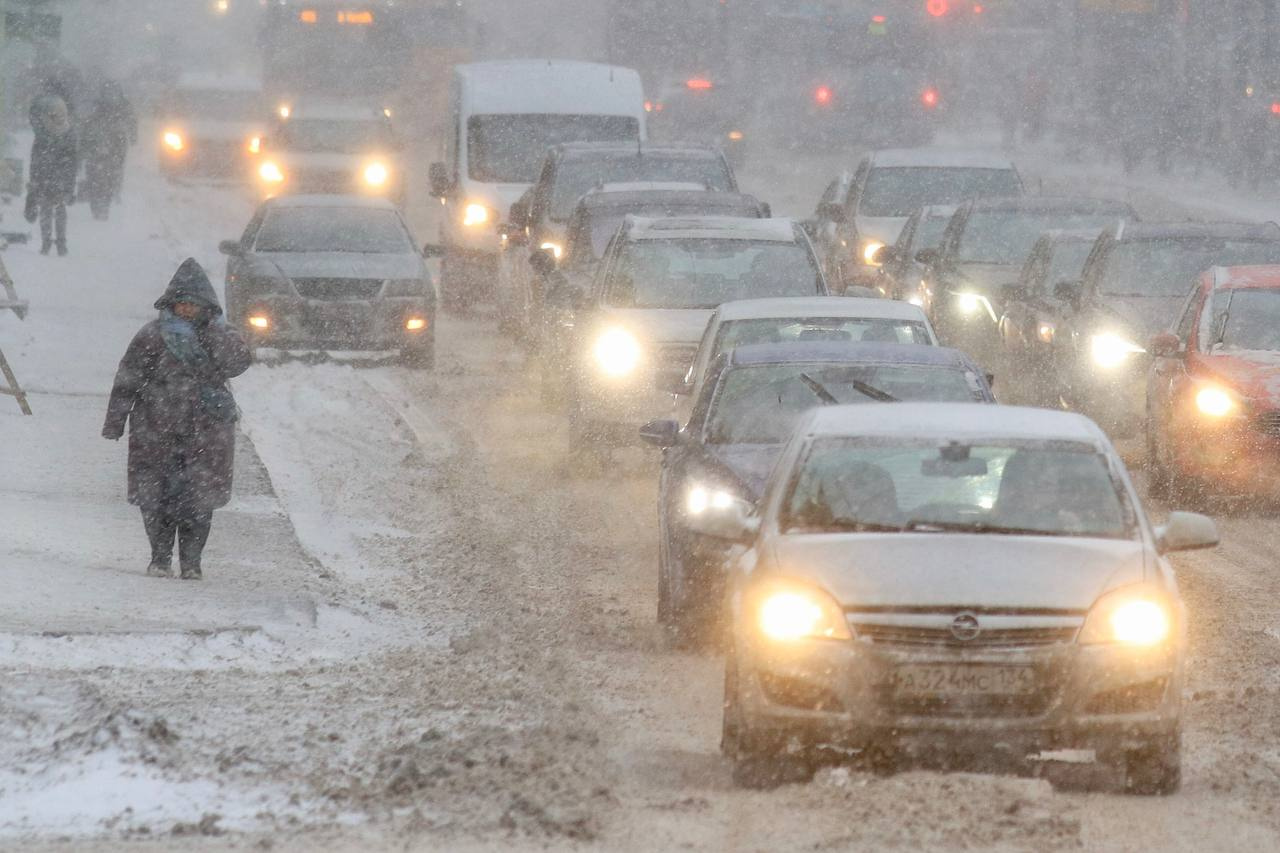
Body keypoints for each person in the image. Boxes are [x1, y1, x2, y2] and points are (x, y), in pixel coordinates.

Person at [102, 259, 252, 580]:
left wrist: (213, 334)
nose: (187, 311)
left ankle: (192, 561)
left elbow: (238, 362)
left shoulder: (222, 334)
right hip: (156, 429)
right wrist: (115, 421)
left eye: (194, 306)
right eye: (182, 304)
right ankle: (159, 557)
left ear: (206, 307)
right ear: (172, 304)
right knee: (156, 498)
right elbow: (127, 379)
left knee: (200, 499)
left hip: (207, 433)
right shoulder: (152, 336)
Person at [27, 95, 78, 256]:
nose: (56, 117)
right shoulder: (44, 135)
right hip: (46, 176)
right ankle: (48, 242)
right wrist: (34, 181)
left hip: (56, 176)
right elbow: (35, 160)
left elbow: (72, 161)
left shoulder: (63, 134)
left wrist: (69, 183)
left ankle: (57, 242)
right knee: (48, 209)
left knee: (54, 208)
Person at [81, 80, 137, 219]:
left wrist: (84, 145)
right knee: (113, 170)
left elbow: (87, 124)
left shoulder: (98, 105)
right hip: (113, 143)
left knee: (98, 173)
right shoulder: (123, 105)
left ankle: (102, 198)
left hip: (103, 143)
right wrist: (133, 136)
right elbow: (131, 121)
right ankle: (111, 193)